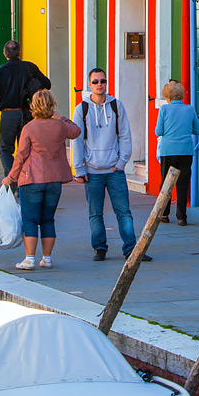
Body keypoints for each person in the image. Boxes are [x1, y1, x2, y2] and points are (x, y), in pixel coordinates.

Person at [2, 89, 79, 270]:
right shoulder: (59, 126)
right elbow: (76, 131)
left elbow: (20, 156)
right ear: (52, 105)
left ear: (33, 106)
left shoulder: (29, 128)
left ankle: (29, 259)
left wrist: (10, 177)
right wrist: (61, 118)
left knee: (30, 220)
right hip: (54, 180)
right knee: (48, 219)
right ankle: (47, 258)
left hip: (32, 179)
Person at [72, 67, 142, 262]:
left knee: (124, 211)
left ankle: (131, 249)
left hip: (114, 170)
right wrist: (79, 168)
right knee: (95, 213)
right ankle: (100, 248)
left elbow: (125, 135)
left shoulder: (116, 106)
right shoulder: (82, 109)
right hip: (92, 171)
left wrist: (121, 162)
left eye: (102, 81)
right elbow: (76, 140)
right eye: (95, 82)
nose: (99, 85)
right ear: (89, 84)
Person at [0, 41, 50, 176]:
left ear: (4, 54)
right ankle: (25, 179)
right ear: (20, 52)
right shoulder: (30, 68)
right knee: (26, 149)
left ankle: (12, 177)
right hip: (29, 114)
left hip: (9, 115)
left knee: (5, 149)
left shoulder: (0, 72)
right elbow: (47, 84)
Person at [154, 80, 199, 226]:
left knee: (166, 181)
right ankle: (182, 217)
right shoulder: (189, 109)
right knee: (183, 182)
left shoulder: (164, 110)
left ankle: (164, 213)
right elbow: (197, 130)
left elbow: (158, 131)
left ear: (167, 96)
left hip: (168, 150)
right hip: (186, 150)